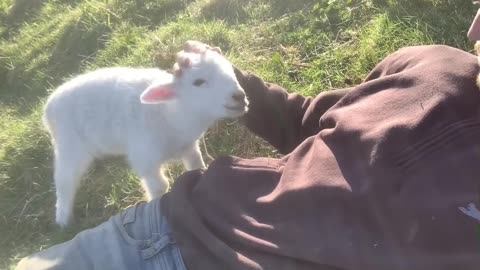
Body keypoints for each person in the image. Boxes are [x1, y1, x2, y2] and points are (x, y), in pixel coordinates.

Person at [16, 9, 480, 270]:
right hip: (172, 230)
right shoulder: (434, 64)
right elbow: (310, 119)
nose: (476, 25)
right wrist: (227, 79)